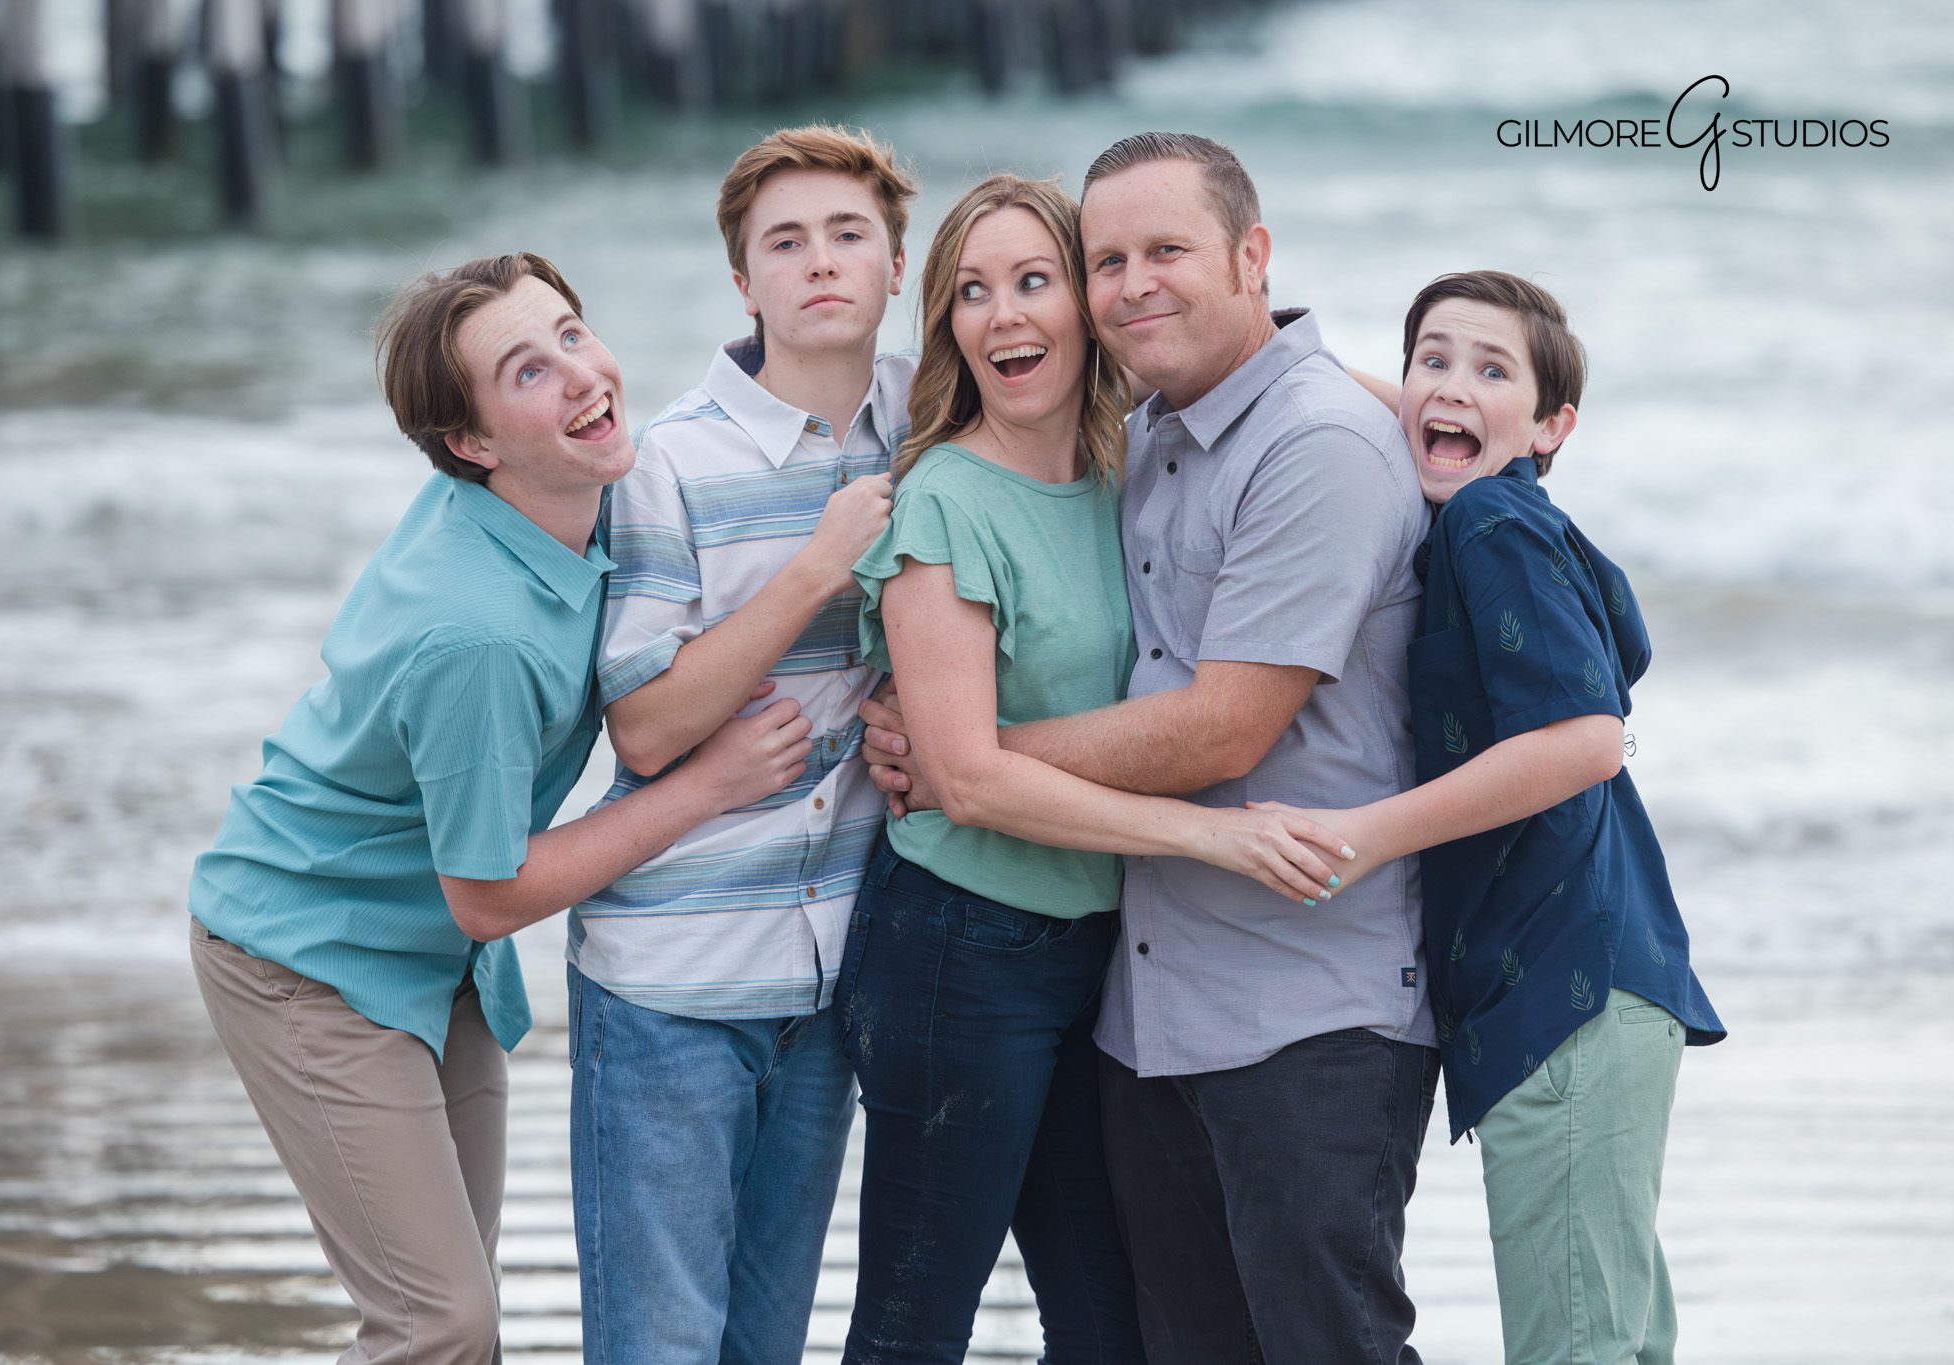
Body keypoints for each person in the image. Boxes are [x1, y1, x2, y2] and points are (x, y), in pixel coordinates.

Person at [862, 134, 1439, 1364]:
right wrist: (963, 762)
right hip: (1101, 984)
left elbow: (1224, 723)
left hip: (1290, 998)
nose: (1131, 284)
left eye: (1161, 251)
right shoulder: (1132, 443)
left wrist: (974, 756)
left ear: (1251, 257)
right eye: (1108, 259)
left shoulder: (1266, 441)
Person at [187, 253, 812, 1364]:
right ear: (469, 447)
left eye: (572, 333)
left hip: (431, 959)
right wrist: (709, 786)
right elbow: (488, 894)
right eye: (529, 370)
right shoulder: (478, 636)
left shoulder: (580, 496)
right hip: (308, 960)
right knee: (440, 1325)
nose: (581, 375)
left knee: (452, 1322)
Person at [1299, 270, 1726, 1363]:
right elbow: (1413, 407)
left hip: (1562, 991)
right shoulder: (1517, 516)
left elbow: (1583, 741)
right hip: (1596, 981)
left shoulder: (1488, 519)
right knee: (1618, 1337)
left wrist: (1364, 836)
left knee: (1575, 1345)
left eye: (1493, 371)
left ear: (1551, 427)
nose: (1449, 387)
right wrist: (1292, 358)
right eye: (1428, 362)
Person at [568, 125, 916, 1365]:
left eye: (846, 236)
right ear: (743, 281)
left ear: (892, 266)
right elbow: (647, 722)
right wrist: (817, 565)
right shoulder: (671, 462)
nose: (818, 262)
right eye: (785, 242)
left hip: (824, 989)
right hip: (670, 980)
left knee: (764, 1349)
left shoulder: (928, 426)